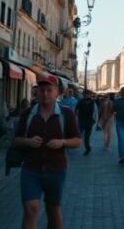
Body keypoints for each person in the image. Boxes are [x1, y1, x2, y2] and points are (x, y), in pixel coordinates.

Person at [13, 74, 80, 229]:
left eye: (49, 90)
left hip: (55, 170)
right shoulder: (28, 114)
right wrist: (27, 141)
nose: (45, 94)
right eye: (42, 90)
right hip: (31, 169)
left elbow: (77, 141)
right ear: (37, 92)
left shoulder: (66, 114)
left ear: (57, 92)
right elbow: (15, 140)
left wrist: (62, 142)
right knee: (31, 209)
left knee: (53, 210)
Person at [74, 90, 98, 155]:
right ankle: (76, 144)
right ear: (84, 95)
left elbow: (95, 112)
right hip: (81, 120)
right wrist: (74, 117)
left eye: (88, 94)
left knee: (87, 136)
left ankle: (87, 148)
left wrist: (95, 120)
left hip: (89, 121)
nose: (87, 95)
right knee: (79, 134)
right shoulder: (80, 101)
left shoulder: (93, 102)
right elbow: (76, 110)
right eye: (86, 94)